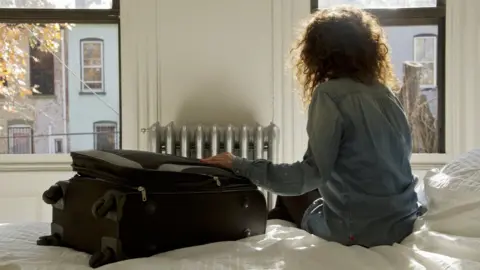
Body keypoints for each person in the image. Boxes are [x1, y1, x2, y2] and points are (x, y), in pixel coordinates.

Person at [201, 6, 419, 247]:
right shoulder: (385, 94)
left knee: (287, 197)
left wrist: (239, 164)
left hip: (359, 231)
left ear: (318, 53)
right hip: (403, 221)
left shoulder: (330, 94)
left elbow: (310, 175)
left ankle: (265, 248)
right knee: (306, 195)